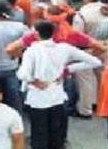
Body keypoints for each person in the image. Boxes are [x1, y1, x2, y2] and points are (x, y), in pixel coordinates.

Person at [17, 20, 102, 149]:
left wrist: (34, 81)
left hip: (37, 97)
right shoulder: (64, 49)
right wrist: (68, 69)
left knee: (39, 134)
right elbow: (95, 62)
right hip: (57, 94)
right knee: (57, 134)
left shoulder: (32, 51)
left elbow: (22, 74)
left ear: (36, 33)